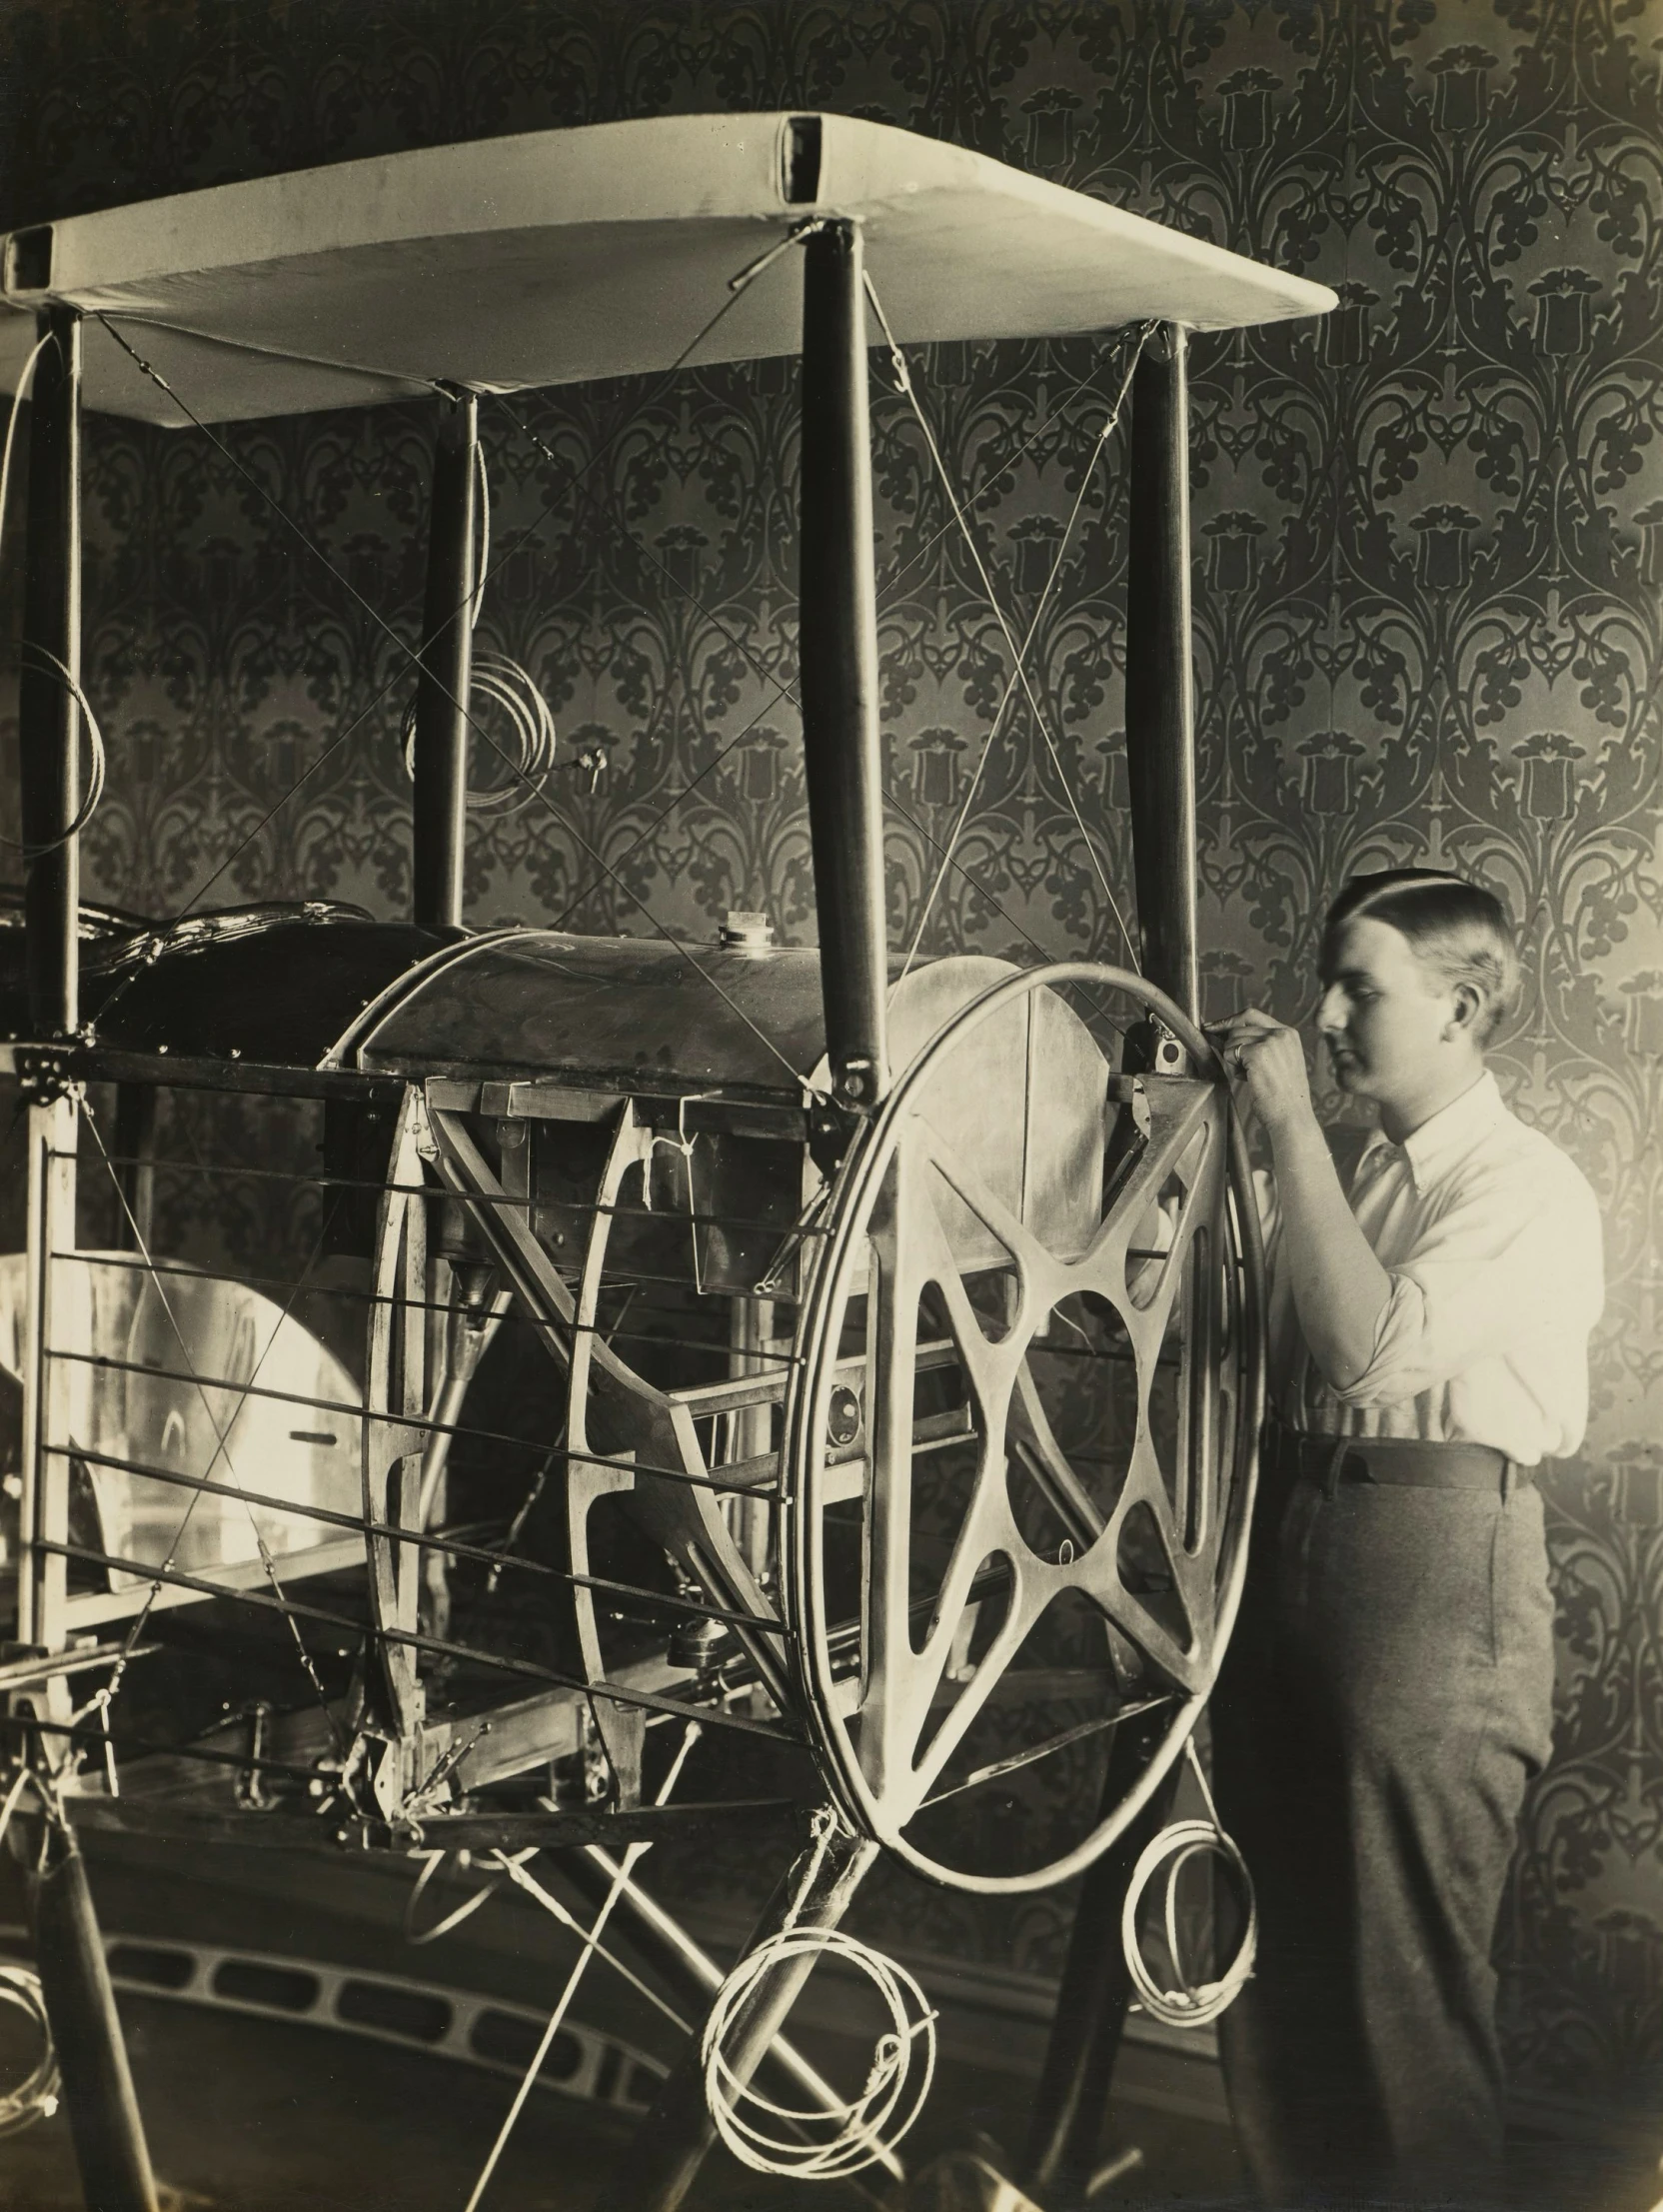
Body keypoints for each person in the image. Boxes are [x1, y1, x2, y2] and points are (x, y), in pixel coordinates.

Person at [1208, 868, 1604, 2209]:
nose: (1321, 1013)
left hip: (1435, 1573)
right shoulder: (1359, 1176)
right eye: (1329, 982)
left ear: (1462, 1005)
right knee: (1278, 1983)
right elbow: (1243, 1341)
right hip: (1298, 1540)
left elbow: (1370, 1349)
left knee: (1405, 1997)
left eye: (1358, 988)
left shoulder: (1527, 1188)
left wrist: (1284, 1137)